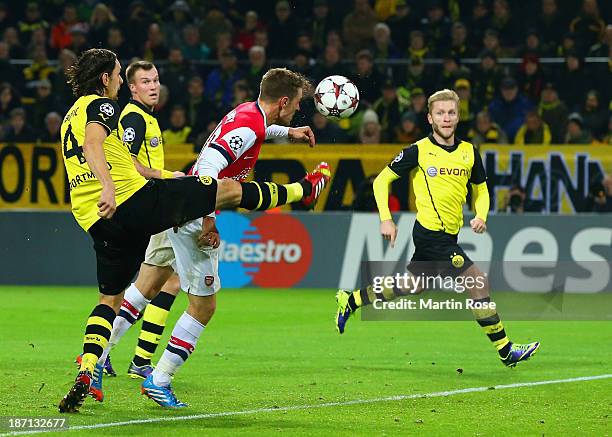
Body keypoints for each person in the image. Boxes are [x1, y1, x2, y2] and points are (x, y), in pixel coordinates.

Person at [57, 49, 330, 413]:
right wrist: (208, 216)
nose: (124, 82)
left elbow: (254, 131)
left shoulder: (250, 115)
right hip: (144, 204)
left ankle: (94, 364)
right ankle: (158, 379)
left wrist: (287, 131)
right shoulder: (112, 109)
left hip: (98, 217)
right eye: (125, 76)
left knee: (137, 290)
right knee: (203, 302)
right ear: (107, 77)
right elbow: (210, 164)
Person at [334, 89, 540, 368]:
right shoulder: (418, 150)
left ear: (458, 116)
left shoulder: (469, 152)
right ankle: (506, 350)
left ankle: (353, 300)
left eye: (451, 112)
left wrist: (481, 215)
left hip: (448, 233)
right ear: (430, 118)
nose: (446, 118)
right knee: (477, 281)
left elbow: (481, 190)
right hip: (431, 233)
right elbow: (381, 181)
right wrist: (385, 218)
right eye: (440, 113)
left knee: (412, 285)